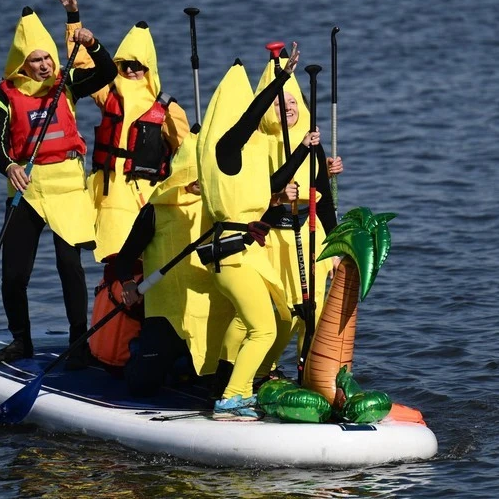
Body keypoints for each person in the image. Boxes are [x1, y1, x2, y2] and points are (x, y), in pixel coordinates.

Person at [0, 6, 117, 369]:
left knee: (69, 266)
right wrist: (9, 165)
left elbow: (108, 72)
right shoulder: (4, 95)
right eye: (35, 60)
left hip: (67, 188)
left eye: (47, 58)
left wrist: (93, 43)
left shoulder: (66, 81)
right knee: (14, 275)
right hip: (26, 189)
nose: (44, 65)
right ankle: (20, 340)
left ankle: (78, 342)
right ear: (22, 63)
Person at [193, 48, 303, 421]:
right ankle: (232, 398)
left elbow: (274, 183)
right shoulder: (225, 148)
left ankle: (231, 385)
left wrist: (304, 149)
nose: (253, 124)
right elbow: (250, 117)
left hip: (243, 251)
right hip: (230, 257)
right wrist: (280, 79)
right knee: (263, 329)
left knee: (258, 319)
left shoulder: (240, 165)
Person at [51, 0, 190, 264]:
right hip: (109, 195)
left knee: (145, 259)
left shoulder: (167, 108)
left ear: (148, 68)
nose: (130, 70)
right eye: (124, 65)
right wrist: (73, 16)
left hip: (146, 195)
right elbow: (81, 64)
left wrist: (189, 190)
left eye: (136, 66)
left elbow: (187, 154)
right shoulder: (109, 94)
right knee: (113, 258)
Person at [111, 134, 236, 396]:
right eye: (192, 177)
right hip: (167, 316)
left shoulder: (224, 208)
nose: (198, 184)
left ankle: (186, 365)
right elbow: (124, 259)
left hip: (212, 314)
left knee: (212, 382)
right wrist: (129, 284)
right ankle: (142, 350)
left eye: (203, 177)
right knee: (141, 387)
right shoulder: (156, 209)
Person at [255, 55, 343, 383]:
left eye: (293, 102)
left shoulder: (312, 141)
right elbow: (247, 197)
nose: (288, 108)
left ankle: (310, 375)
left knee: (314, 311)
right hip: (273, 235)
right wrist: (276, 196)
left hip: (310, 232)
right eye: (280, 104)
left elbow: (325, 198)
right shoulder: (256, 144)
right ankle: (263, 371)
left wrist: (336, 247)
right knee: (285, 313)